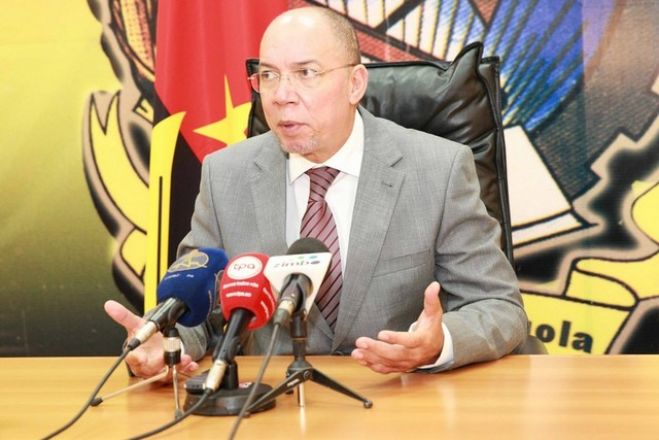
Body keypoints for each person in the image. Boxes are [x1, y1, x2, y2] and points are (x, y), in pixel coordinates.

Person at [105, 6, 527, 377]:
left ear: (355, 84)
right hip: (275, 408)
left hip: (400, 399)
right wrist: (168, 343)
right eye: (268, 76)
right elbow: (199, 309)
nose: (281, 96)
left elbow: (499, 306)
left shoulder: (438, 168)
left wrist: (439, 343)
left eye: (306, 73)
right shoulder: (226, 175)